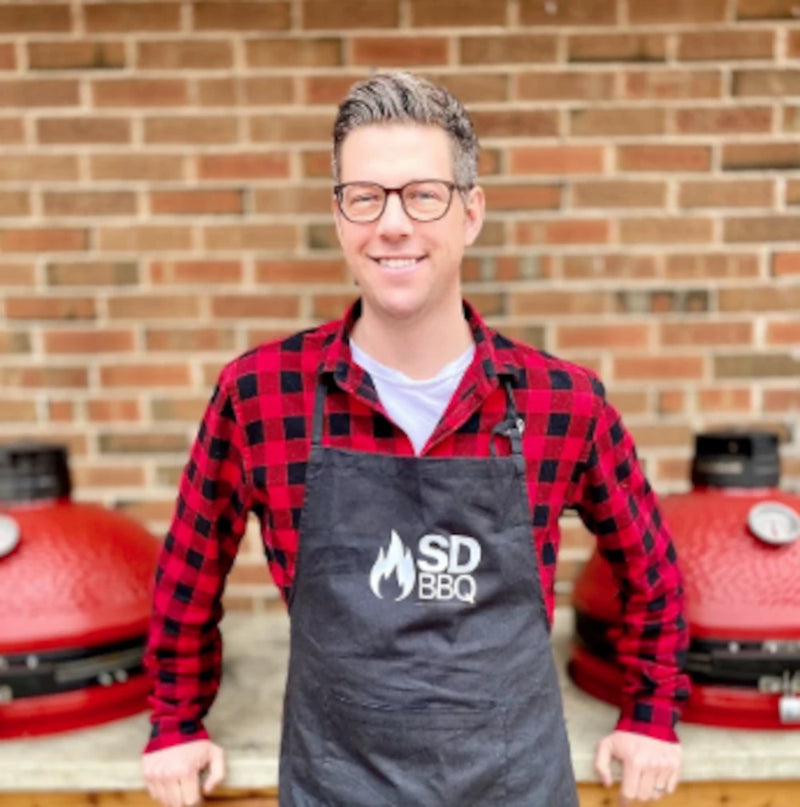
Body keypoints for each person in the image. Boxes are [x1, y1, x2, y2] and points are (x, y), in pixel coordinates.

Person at [141, 71, 690, 807]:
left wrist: (651, 716)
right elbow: (187, 577)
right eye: (364, 196)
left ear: (470, 213)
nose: (392, 224)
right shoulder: (262, 394)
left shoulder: (564, 403)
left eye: (423, 194)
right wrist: (177, 724)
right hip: (338, 782)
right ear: (339, 218)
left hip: (513, 783)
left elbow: (653, 575)